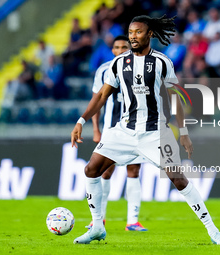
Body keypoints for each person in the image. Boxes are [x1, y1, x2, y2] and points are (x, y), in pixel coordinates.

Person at [71, 15, 220, 246]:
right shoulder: (118, 64)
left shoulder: (162, 62)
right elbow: (102, 96)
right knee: (91, 170)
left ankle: (213, 231)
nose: (133, 36)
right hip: (124, 130)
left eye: (138, 32)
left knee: (179, 179)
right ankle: (97, 226)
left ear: (150, 35)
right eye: (130, 32)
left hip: (155, 133)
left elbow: (175, 97)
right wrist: (81, 121)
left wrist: (183, 132)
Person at [88, 35, 147, 231]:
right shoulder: (104, 70)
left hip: (134, 129)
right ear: (112, 50)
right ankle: (99, 219)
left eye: (124, 47)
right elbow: (97, 100)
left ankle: (132, 221)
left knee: (134, 171)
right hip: (110, 129)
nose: (120, 50)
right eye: (116, 47)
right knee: (104, 171)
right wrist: (96, 129)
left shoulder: (141, 69)